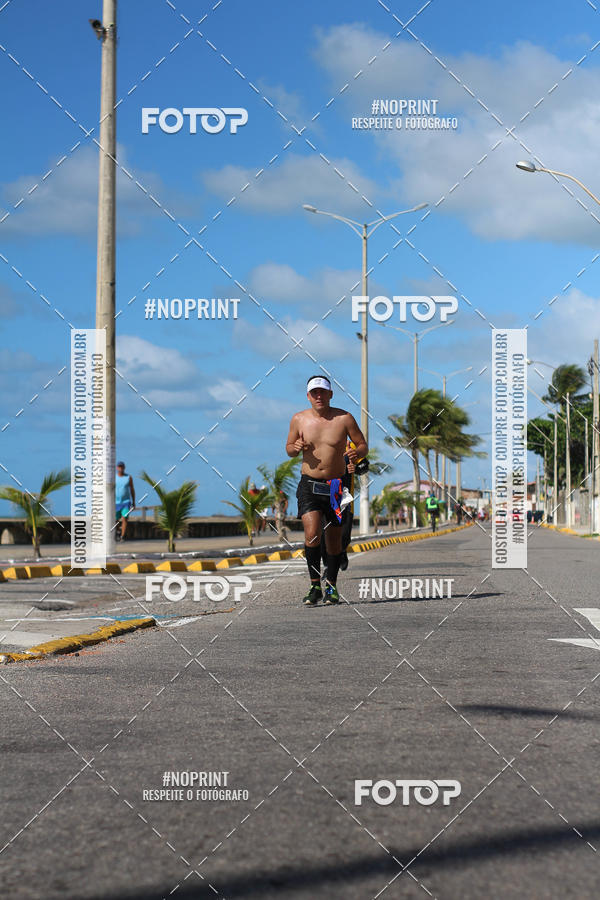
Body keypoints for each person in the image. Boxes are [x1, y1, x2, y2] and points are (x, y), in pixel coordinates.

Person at [286, 375, 367, 606]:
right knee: (311, 534)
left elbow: (362, 445)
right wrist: (296, 447)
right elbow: (289, 448)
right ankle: (314, 586)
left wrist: (357, 453)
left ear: (331, 394)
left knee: (333, 541)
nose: (318, 396)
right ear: (308, 396)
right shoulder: (298, 419)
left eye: (323, 392)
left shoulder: (344, 418)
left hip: (336, 487)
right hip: (309, 484)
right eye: (314, 393)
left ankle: (331, 585)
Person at [115, 461, 135, 541]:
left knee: (125, 518)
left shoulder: (128, 477)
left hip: (126, 502)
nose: (120, 468)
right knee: (115, 519)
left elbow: (132, 489)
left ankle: (122, 536)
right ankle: (117, 532)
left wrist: (133, 501)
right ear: (117, 468)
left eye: (122, 467)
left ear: (124, 468)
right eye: (119, 467)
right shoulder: (114, 478)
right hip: (116, 502)